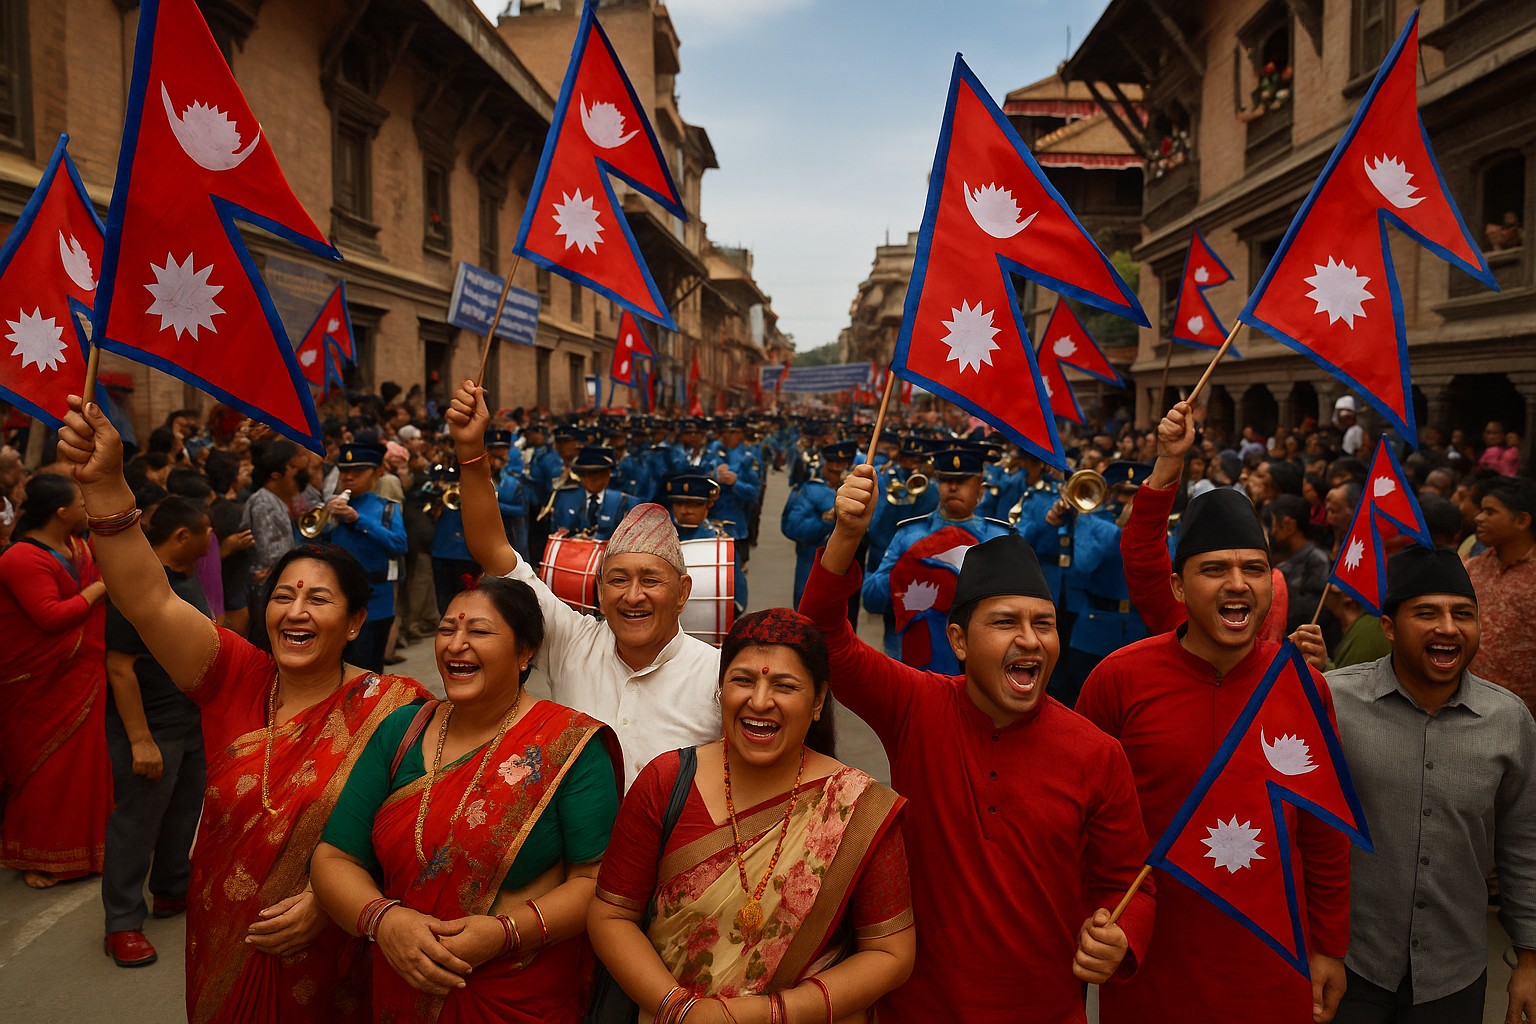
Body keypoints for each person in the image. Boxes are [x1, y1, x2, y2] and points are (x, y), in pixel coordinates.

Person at [54, 396, 430, 1024]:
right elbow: (146, 598)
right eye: (283, 595)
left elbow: (414, 843)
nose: (296, 611)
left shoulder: (397, 712)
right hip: (225, 935)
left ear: (355, 621)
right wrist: (107, 486)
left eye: (319, 599)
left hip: (334, 954)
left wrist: (335, 896)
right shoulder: (233, 672)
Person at [800, 466, 1155, 1023]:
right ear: (959, 641)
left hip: (1043, 1010)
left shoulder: (1097, 752)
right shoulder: (917, 705)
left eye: (1044, 624)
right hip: (917, 1006)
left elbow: (1128, 881)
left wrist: (1121, 935)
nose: (1030, 640)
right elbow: (822, 637)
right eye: (1006, 622)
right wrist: (846, 536)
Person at [1076, 405, 1347, 1024]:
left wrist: (1330, 946)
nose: (1237, 583)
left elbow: (1324, 833)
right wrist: (1089, 920)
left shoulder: (1304, 687)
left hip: (1273, 954)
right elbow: (1080, 822)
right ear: (1177, 588)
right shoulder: (1118, 680)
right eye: (1214, 569)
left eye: (1253, 569)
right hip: (1149, 953)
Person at [312, 576, 621, 1022]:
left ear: (525, 652)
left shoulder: (568, 744)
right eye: (445, 630)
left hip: (518, 997)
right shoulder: (402, 731)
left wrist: (504, 933)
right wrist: (385, 922)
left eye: (478, 631)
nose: (456, 645)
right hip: (401, 985)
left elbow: (596, 882)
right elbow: (334, 857)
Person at [589, 609, 916, 1022]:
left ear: (817, 702)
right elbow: (611, 915)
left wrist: (773, 1013)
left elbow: (891, 952)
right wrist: (679, 1009)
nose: (760, 701)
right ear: (719, 691)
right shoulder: (666, 781)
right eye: (743, 680)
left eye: (784, 685)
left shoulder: (857, 807)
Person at [446, 381, 720, 788]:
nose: (632, 596)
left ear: (682, 592)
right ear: (598, 589)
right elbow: (493, 549)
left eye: (650, 581)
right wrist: (471, 452)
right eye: (618, 580)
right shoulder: (573, 642)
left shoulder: (718, 674)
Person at [1328, 546, 1536, 1023]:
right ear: (1388, 627)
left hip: (1453, 974)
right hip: (1348, 964)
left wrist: (1529, 958)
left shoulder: (1509, 720)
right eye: (1427, 613)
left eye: (1463, 614)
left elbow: (1524, 842)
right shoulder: (1334, 702)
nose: (1448, 627)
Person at [101, 497, 212, 968]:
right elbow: (120, 667)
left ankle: (171, 889)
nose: (213, 537)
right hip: (151, 724)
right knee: (138, 823)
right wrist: (140, 739)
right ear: (183, 536)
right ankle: (122, 923)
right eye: (206, 529)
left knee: (185, 810)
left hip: (189, 718)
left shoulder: (188, 581)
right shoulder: (141, 587)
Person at [0, 473, 111, 889]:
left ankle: (85, 849)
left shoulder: (77, 545)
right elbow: (50, 617)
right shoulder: (20, 558)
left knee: (83, 767)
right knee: (45, 769)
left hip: (81, 671)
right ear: (61, 512)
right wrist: (100, 589)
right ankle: (40, 855)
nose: (87, 508)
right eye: (81, 503)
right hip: (38, 681)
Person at [862, 445, 1010, 670]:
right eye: (945, 480)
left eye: (962, 481)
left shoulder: (1000, 538)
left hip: (982, 668)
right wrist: (905, 568)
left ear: (980, 489)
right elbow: (872, 598)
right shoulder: (910, 535)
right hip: (917, 665)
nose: (952, 487)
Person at [322, 442, 409, 673]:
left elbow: (399, 544)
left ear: (377, 472)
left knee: (368, 670)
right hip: (337, 598)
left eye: (358, 472)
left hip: (376, 600)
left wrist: (358, 520)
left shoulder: (387, 508)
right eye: (344, 471)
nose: (348, 477)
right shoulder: (332, 507)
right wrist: (326, 520)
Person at [1464, 475, 1536, 713]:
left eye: (1490, 512)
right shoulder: (1472, 568)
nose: (1479, 518)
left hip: (1524, 715)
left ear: (1522, 520)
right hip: (1467, 706)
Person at [780, 440, 852, 608]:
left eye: (841, 465)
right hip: (812, 557)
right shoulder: (809, 489)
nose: (836, 469)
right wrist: (826, 522)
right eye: (832, 464)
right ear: (825, 465)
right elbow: (793, 527)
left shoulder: (850, 489)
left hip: (844, 561)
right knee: (807, 607)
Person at [665, 474, 747, 615]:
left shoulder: (720, 542)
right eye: (679, 504)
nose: (685, 510)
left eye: (694, 505)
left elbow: (737, 598)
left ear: (708, 505)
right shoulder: (660, 537)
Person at [551, 446, 639, 541]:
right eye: (586, 473)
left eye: (598, 473)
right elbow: (556, 535)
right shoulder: (565, 500)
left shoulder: (625, 503)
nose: (591, 479)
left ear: (608, 475)